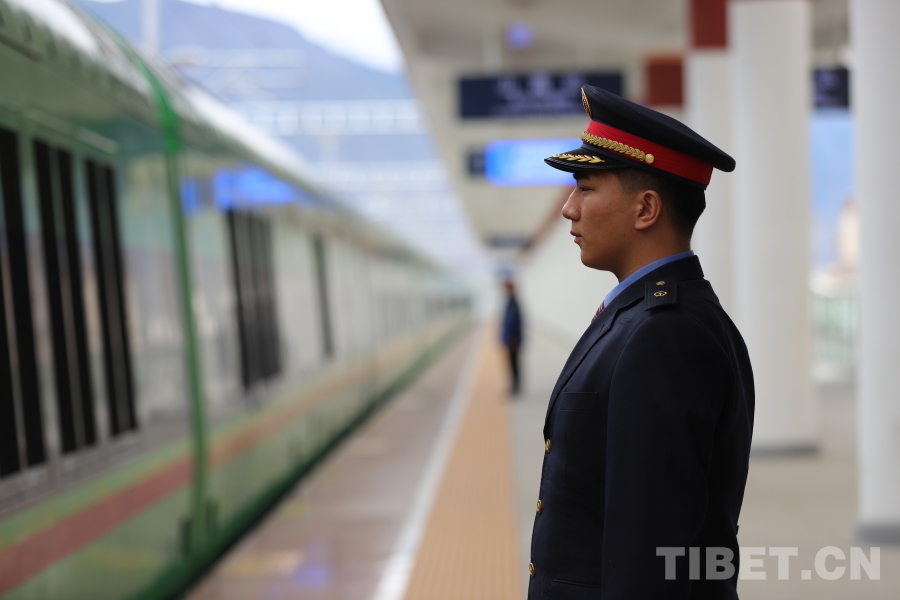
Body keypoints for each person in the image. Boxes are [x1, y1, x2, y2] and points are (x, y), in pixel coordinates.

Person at [527, 85, 754, 599]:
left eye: (585, 188)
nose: (569, 210)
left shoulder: (665, 335)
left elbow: (649, 551)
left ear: (646, 209)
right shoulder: (643, 319)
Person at [500, 278, 523, 396]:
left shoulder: (513, 303)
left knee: (514, 363)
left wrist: (513, 339)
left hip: (512, 340)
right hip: (510, 339)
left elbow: (514, 323)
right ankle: (514, 385)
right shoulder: (510, 302)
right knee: (512, 363)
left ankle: (516, 386)